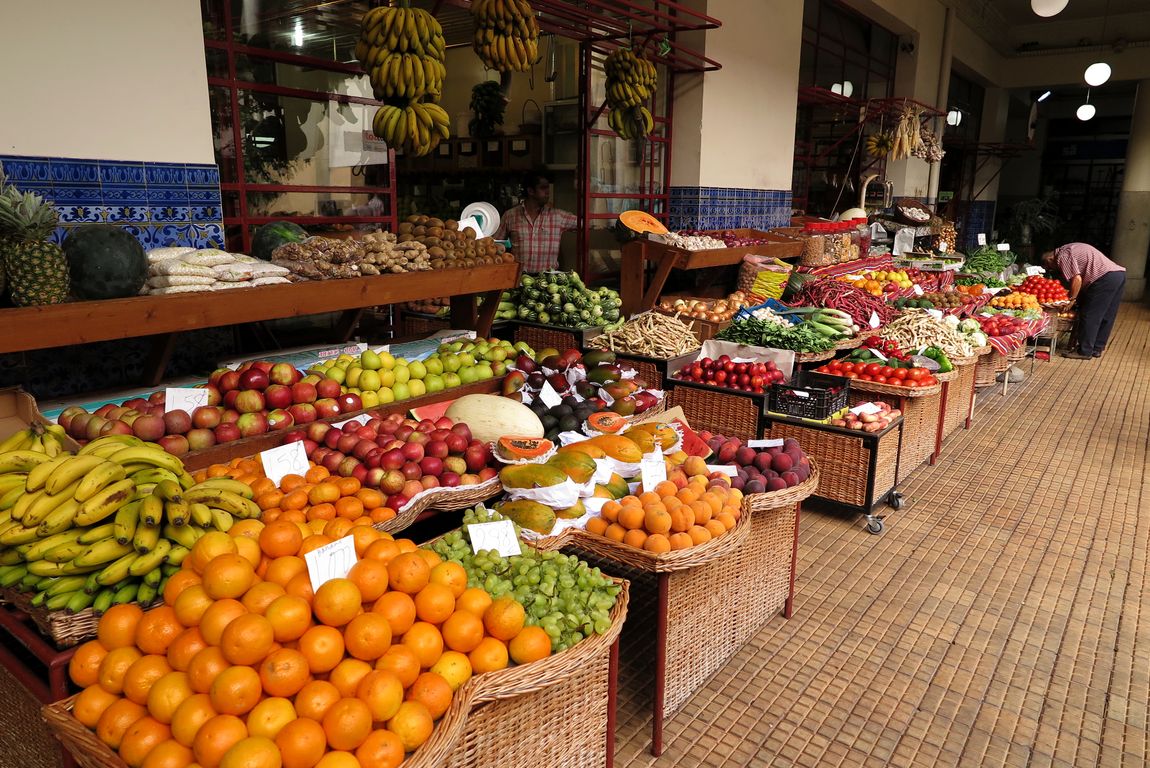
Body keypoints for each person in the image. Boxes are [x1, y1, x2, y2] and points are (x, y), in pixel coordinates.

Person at [1041, 242, 1126, 360]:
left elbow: (1077, 279)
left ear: (1050, 259)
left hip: (1103, 278)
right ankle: (1096, 348)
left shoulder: (1062, 256)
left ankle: (1084, 351)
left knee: (1090, 314)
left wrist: (1072, 299)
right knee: (1107, 315)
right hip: (1118, 275)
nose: (1056, 270)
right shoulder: (1069, 248)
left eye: (1051, 267)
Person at [496, 170, 577, 272]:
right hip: (519, 280)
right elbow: (496, 245)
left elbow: (587, 223)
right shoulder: (510, 216)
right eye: (543, 188)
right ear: (531, 191)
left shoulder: (557, 216)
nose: (547, 192)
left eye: (548, 187)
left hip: (548, 282)